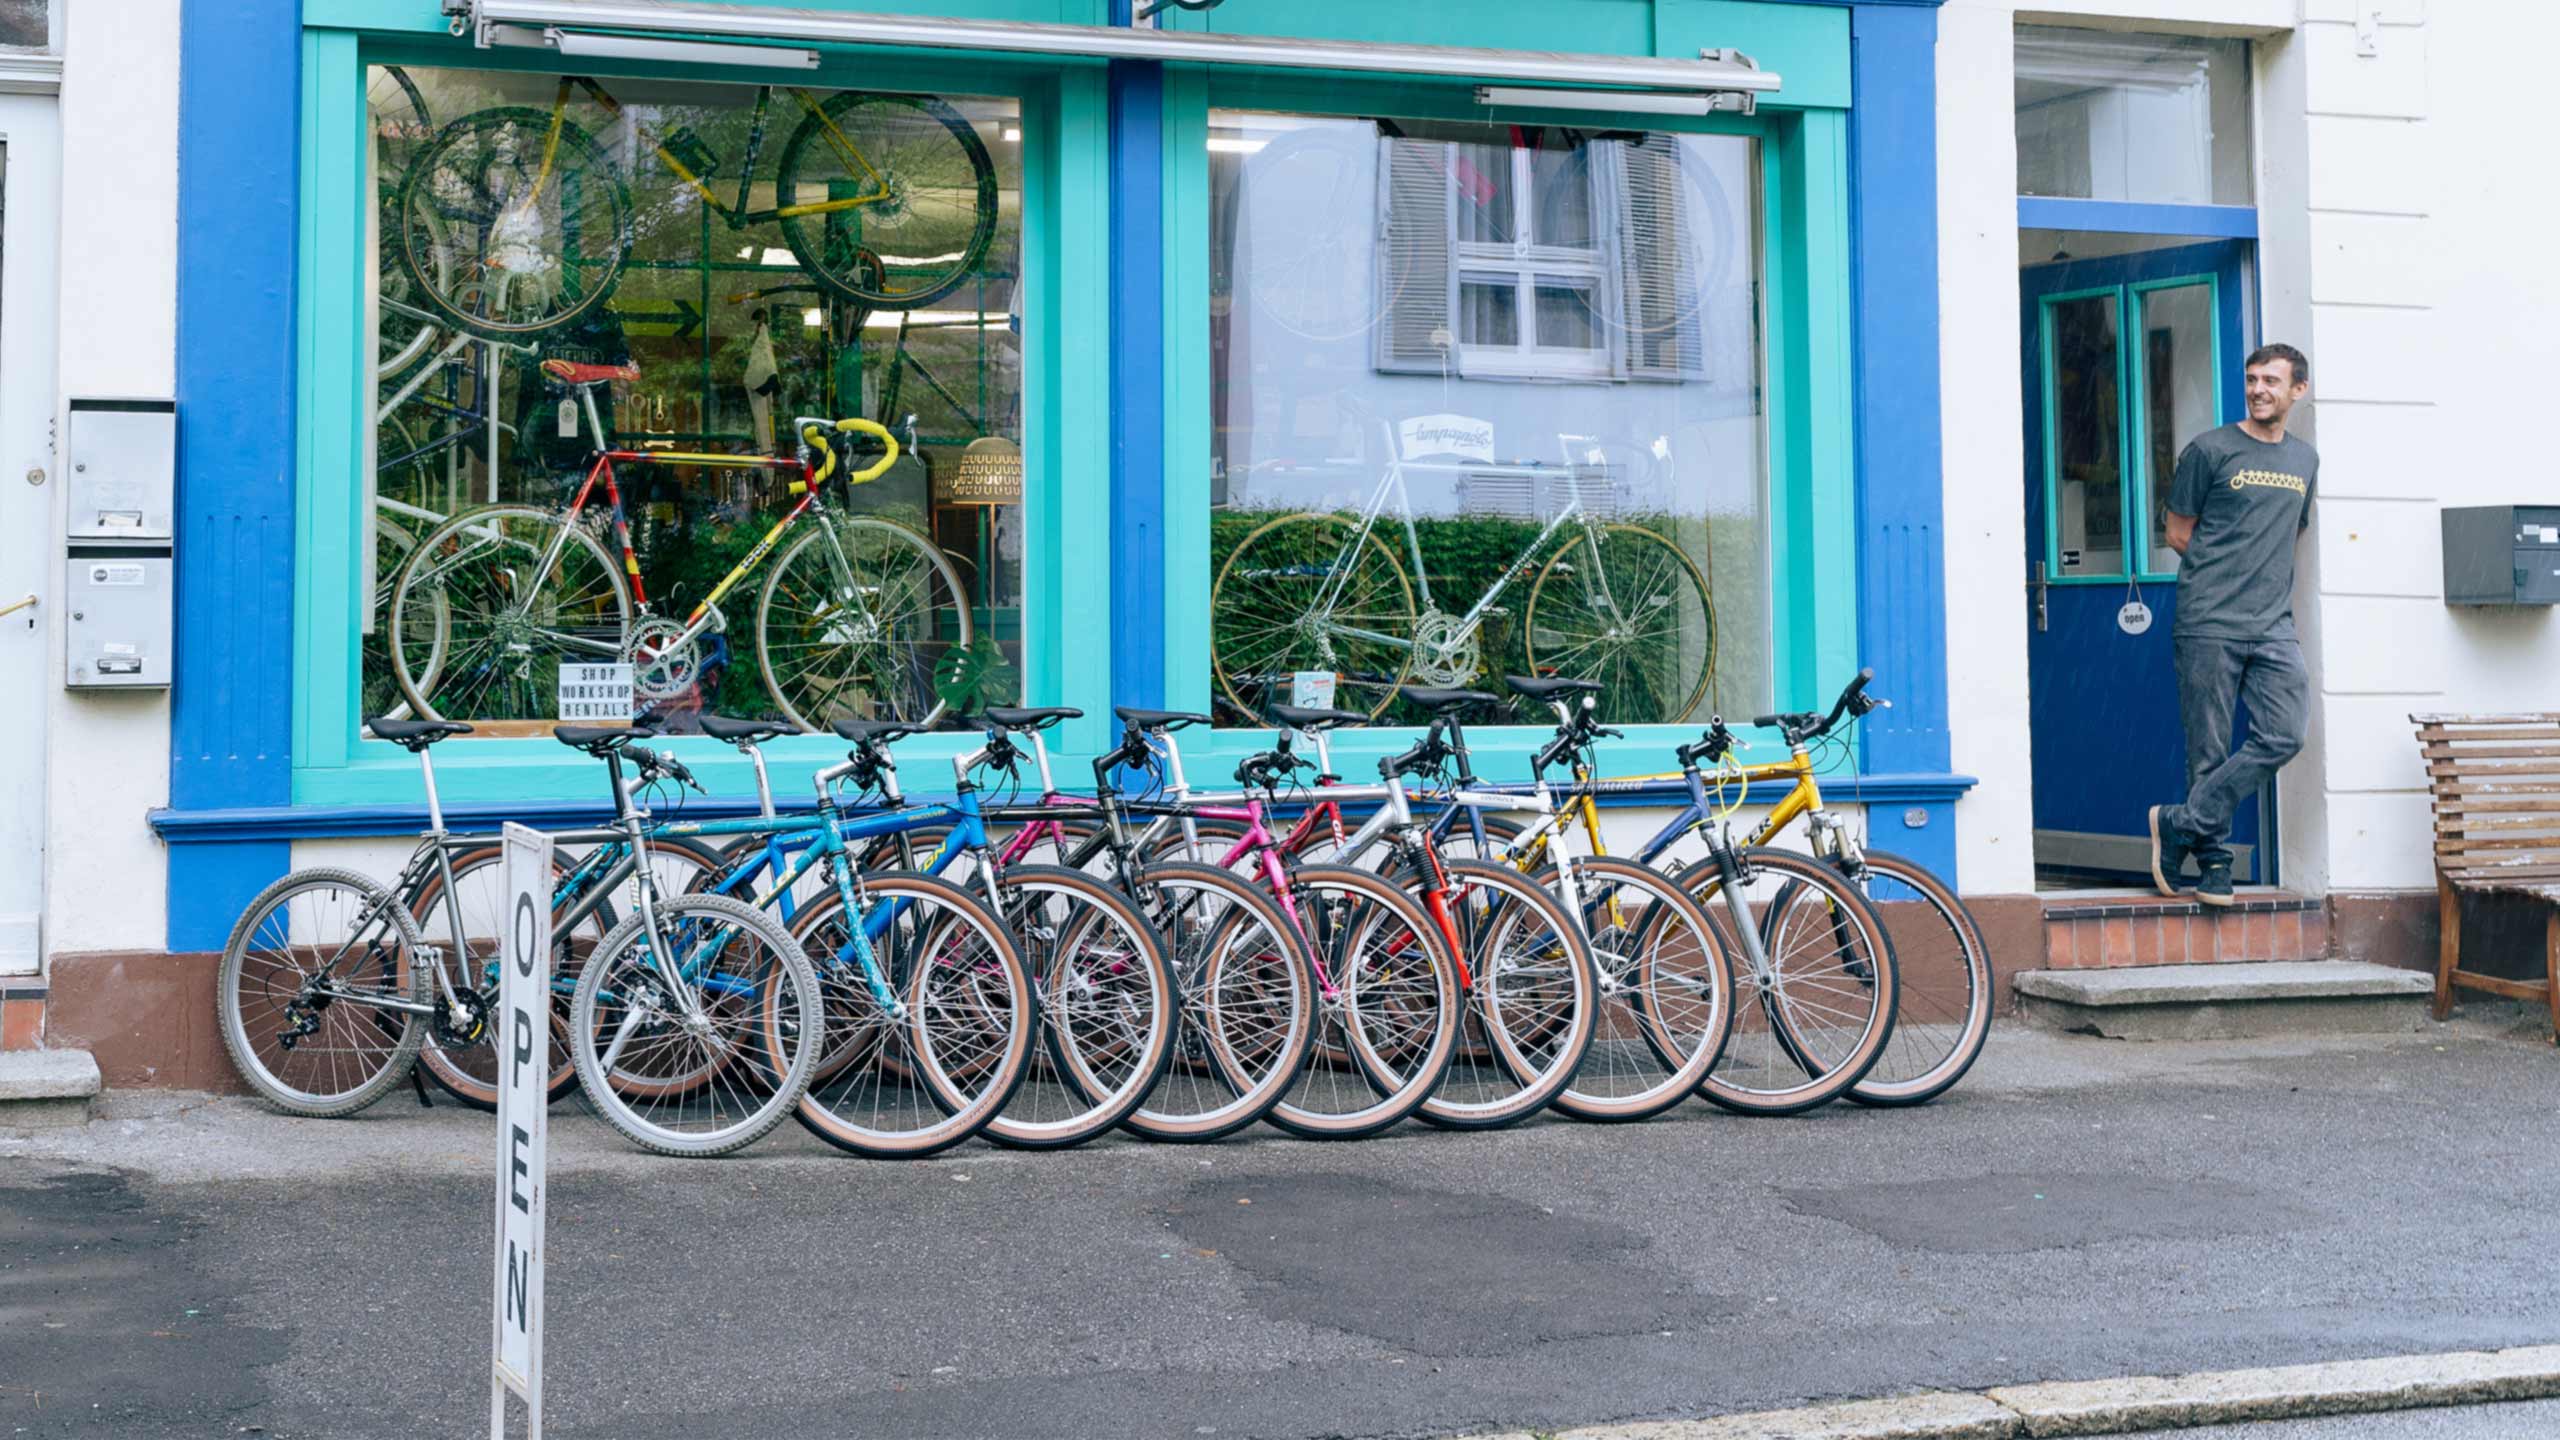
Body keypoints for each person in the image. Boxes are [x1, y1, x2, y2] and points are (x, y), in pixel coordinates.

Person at [2148, 343, 2317, 907]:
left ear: (2298, 389)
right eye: (2251, 379)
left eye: (2271, 380)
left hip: (2272, 624)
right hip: (2209, 619)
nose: (2258, 389)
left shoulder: (2303, 460)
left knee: (2285, 733)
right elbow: (2178, 531)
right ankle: (2215, 861)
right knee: (2210, 748)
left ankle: (2181, 822)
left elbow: (2288, 531)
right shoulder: (2211, 449)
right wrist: (2227, 575)